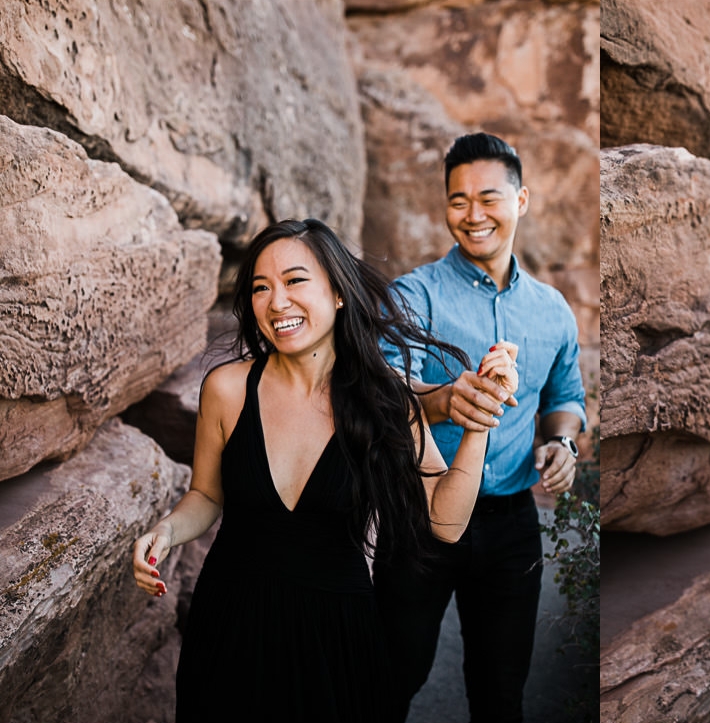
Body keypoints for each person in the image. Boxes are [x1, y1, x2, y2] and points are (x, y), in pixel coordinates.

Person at [128, 219, 503, 722]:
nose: (276, 301)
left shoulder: (383, 397)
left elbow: (446, 521)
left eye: (295, 280)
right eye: (261, 287)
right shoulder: (227, 388)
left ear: (338, 293)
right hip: (230, 625)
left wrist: (478, 426)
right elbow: (207, 496)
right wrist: (166, 531)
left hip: (337, 637)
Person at [378, 132, 588, 722]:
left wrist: (562, 441)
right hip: (417, 516)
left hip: (511, 526)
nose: (473, 215)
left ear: (522, 200)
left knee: (501, 693)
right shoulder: (413, 295)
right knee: (390, 678)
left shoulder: (552, 311)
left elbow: (565, 398)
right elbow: (385, 392)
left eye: (489, 198)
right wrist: (448, 400)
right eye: (457, 200)